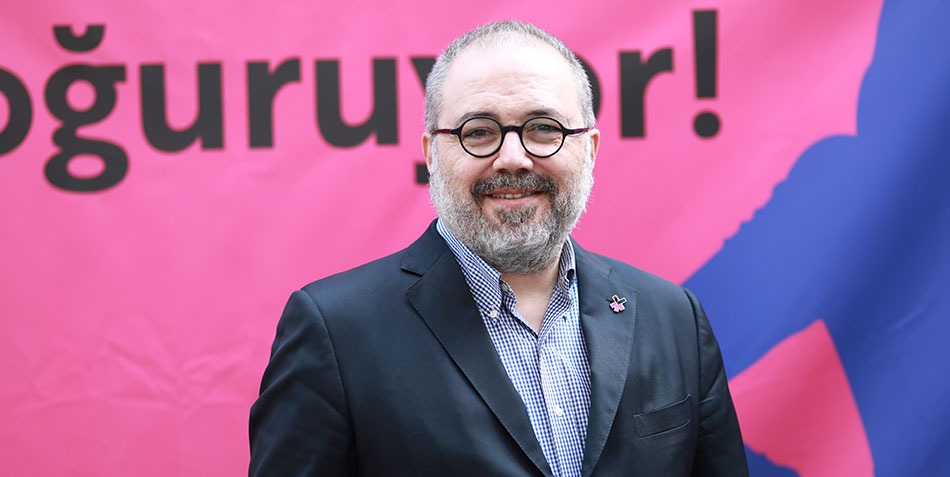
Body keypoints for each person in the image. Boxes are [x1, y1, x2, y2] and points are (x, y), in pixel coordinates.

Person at [249, 20, 748, 477]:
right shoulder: (336, 331)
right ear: (431, 153)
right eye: (479, 132)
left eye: (544, 129)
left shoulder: (674, 318)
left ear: (590, 149)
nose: (513, 158)